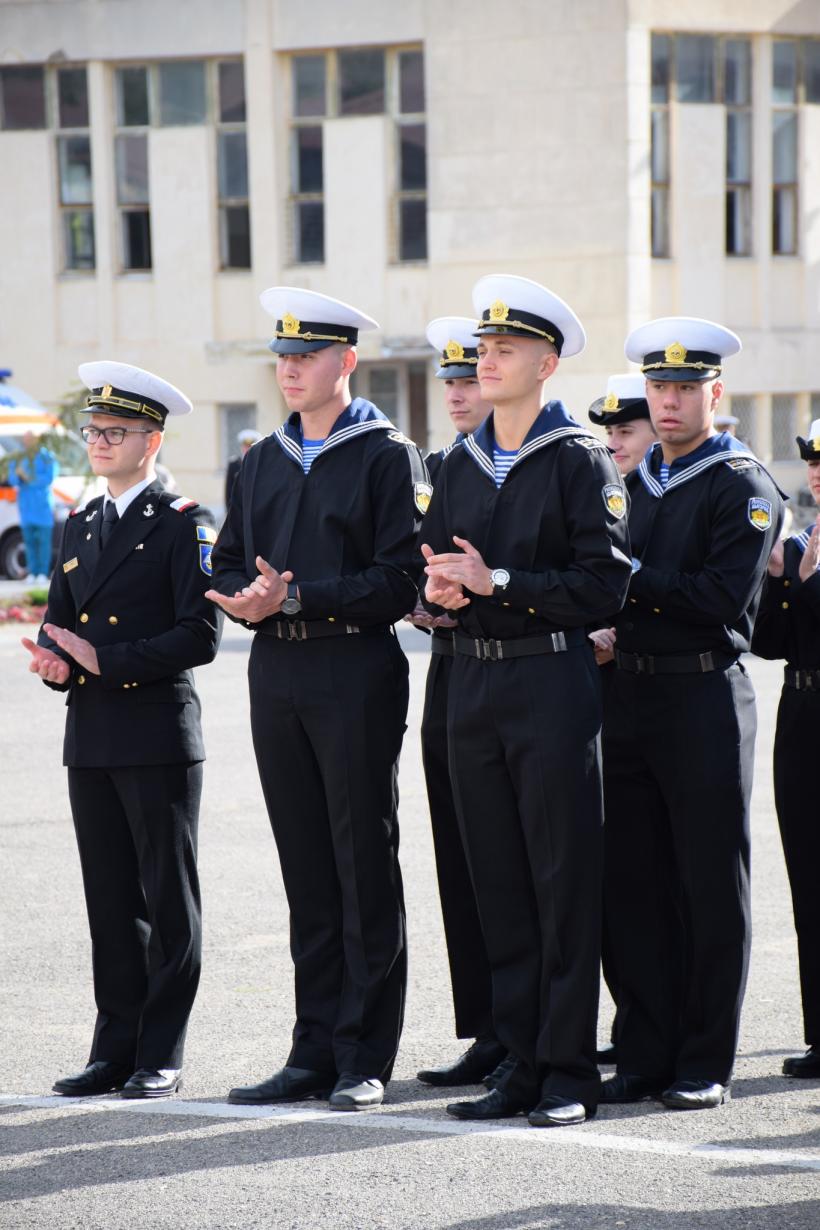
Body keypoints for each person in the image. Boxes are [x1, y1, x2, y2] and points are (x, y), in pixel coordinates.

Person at [209, 287, 428, 1112]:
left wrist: (296, 600)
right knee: (305, 862)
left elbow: (398, 580)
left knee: (360, 857)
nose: (290, 369)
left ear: (348, 361)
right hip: (279, 673)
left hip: (353, 670)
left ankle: (364, 1051)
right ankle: (312, 1047)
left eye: (307, 356)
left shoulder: (384, 454)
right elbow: (228, 560)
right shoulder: (261, 457)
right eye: (284, 357)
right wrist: (241, 598)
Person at [420, 274, 632, 1127]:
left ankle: (570, 1073)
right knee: (498, 880)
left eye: (505, 350)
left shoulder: (578, 458)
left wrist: (495, 581)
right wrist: (436, 592)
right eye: (483, 349)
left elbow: (605, 583)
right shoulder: (454, 463)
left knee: (561, 879)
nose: (487, 361)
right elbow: (437, 564)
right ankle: (518, 1061)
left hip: (548, 682)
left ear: (546, 364)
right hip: (472, 681)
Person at [22, 361, 221, 1099]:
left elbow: (198, 635)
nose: (99, 442)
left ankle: (160, 1052)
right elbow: (61, 619)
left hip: (156, 728)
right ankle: (115, 1047)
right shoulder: (80, 522)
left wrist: (102, 660)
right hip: (94, 732)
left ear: (152, 440)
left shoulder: (182, 523)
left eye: (116, 432)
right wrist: (57, 663)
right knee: (109, 901)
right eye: (93, 431)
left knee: (167, 897)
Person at [600, 318, 784, 1111]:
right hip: (630, 692)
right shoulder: (635, 482)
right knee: (633, 881)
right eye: (658, 388)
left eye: (684, 389)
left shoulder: (740, 482)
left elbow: (718, 600)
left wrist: (627, 578)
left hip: (704, 693)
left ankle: (705, 1057)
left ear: (716, 393)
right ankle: (645, 1047)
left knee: (708, 881)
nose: (668, 403)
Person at [411, 317, 505, 1089]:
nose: (458, 392)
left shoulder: (519, 463)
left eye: (468, 378)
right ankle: (486, 1027)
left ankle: (526, 1027)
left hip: (512, 667)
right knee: (461, 853)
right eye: (450, 381)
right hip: (449, 666)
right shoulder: (443, 466)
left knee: (514, 858)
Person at [587, 372, 657, 1065]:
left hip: (660, 697)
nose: (615, 443)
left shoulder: (656, 498)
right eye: (608, 433)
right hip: (606, 702)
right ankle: (632, 1023)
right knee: (616, 882)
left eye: (625, 431)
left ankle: (664, 1028)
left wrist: (619, 635)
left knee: (659, 879)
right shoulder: (613, 494)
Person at [752, 418, 820, 1080]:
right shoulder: (801, 544)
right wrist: (778, 581)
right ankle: (818, 1032)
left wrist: (804, 583)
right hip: (800, 713)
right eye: (813, 462)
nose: (817, 471)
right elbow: (766, 642)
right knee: (808, 878)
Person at [8, 428, 59, 583]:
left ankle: (43, 572)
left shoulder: (46, 456)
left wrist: (28, 477)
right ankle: (32, 571)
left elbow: (48, 478)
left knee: (43, 541)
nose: (28, 441)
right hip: (26, 505)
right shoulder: (18, 457)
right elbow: (13, 480)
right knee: (29, 540)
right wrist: (17, 475)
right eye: (26, 438)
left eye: (31, 438)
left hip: (42, 505)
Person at [224, 428, 263, 511]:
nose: (247, 449)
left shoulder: (262, 463)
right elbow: (228, 492)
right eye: (245, 446)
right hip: (238, 510)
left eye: (250, 446)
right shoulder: (234, 464)